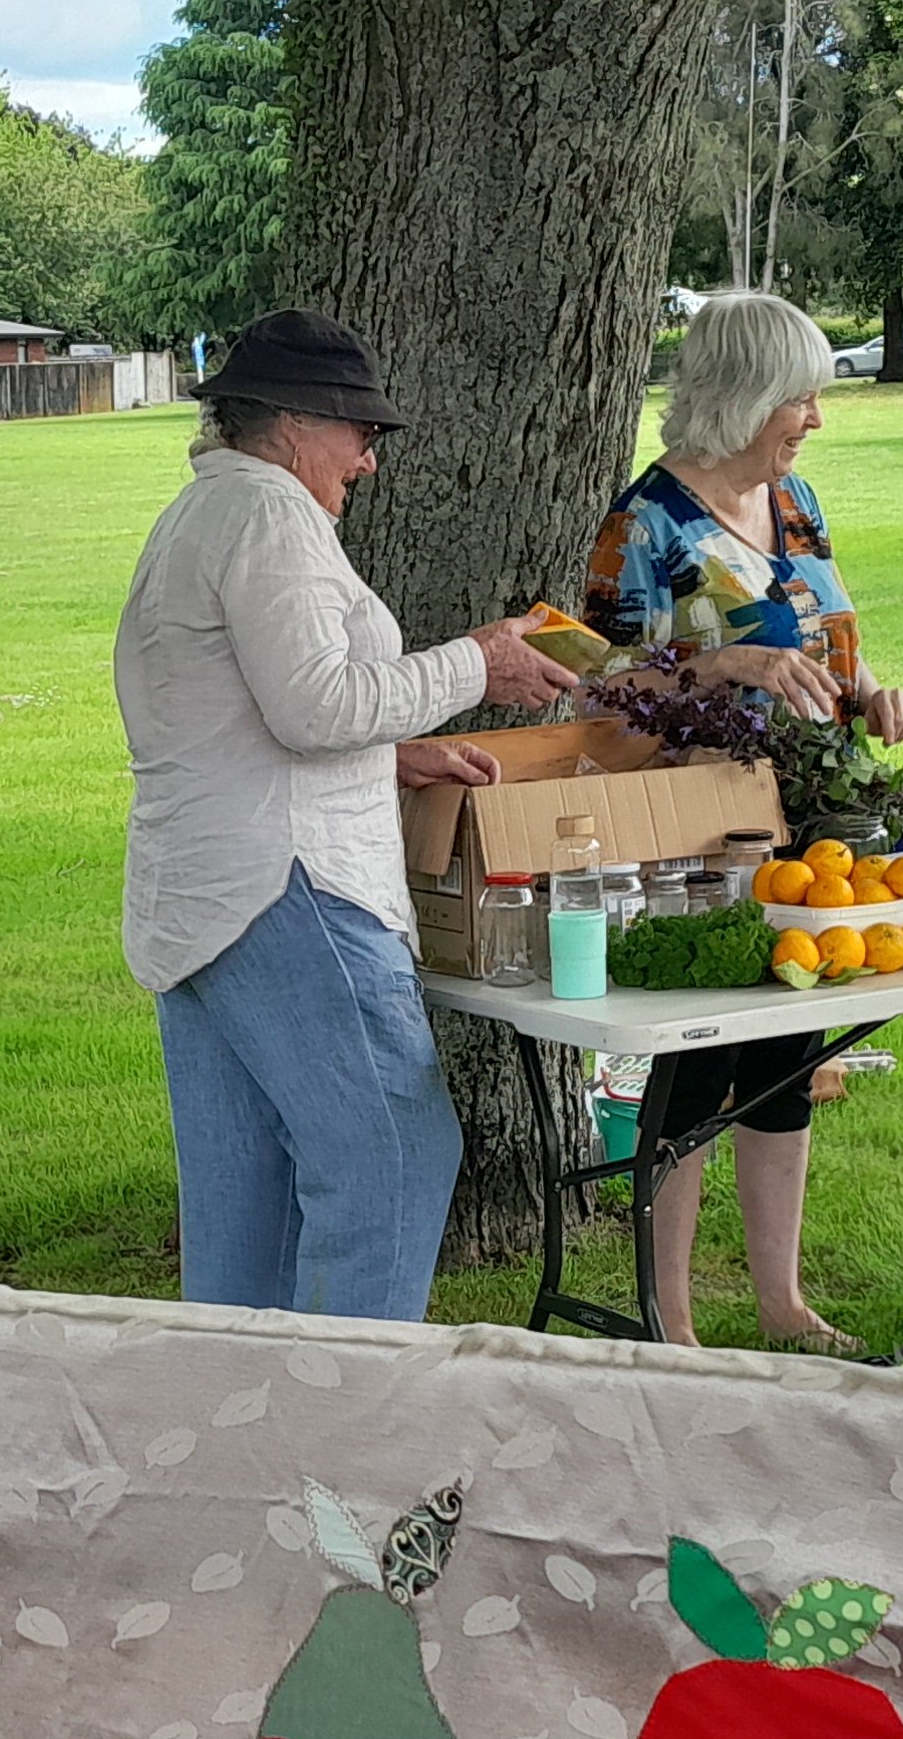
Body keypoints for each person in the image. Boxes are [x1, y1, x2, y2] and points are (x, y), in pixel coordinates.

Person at [117, 310, 584, 1319]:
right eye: (362, 436)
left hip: (203, 896)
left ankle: (243, 1434)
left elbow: (229, 713)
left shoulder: (199, 514)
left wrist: (394, 753)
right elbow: (316, 704)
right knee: (397, 1157)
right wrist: (477, 663)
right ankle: (351, 1427)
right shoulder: (271, 517)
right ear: (295, 425)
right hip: (287, 890)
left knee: (250, 1196)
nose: (368, 462)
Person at [579, 292, 903, 1351]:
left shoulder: (797, 503)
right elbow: (595, 688)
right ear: (744, 395)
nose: (815, 417)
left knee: (788, 1054)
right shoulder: (646, 524)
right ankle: (671, 1320)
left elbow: (825, 649)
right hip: (698, 824)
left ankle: (782, 1301)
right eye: (801, 396)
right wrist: (722, 661)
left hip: (812, 825)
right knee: (697, 1064)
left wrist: (874, 698)